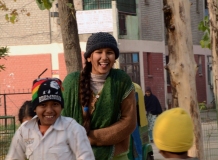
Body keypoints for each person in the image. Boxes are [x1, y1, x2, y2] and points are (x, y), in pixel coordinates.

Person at [61, 32, 137, 160]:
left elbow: (129, 122)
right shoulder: (71, 82)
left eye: (109, 52)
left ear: (115, 57)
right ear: (89, 57)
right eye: (99, 52)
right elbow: (61, 121)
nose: (104, 57)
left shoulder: (121, 81)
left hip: (115, 155)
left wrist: (88, 137)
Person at [6, 78, 95, 160]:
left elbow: (86, 157)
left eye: (55, 104)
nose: (49, 110)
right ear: (34, 108)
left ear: (61, 107)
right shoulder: (24, 130)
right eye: (43, 105)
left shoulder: (72, 128)